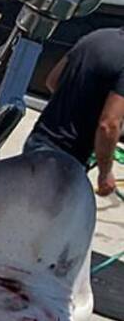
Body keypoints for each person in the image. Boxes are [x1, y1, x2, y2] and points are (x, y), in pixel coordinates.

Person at [23, 28, 124, 196]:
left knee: (19, 205)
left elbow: (53, 80)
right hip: (65, 162)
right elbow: (109, 125)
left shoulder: (95, 37)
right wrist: (105, 173)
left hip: (38, 141)